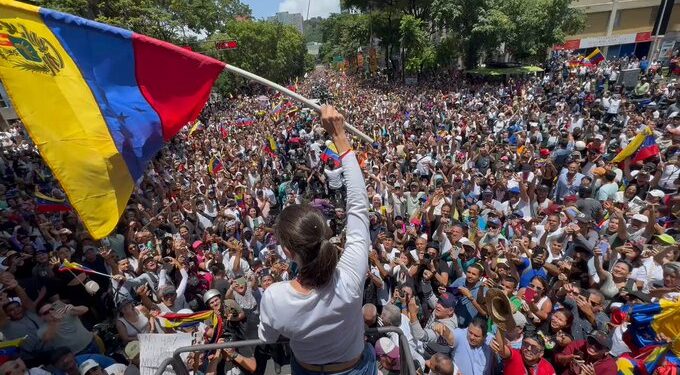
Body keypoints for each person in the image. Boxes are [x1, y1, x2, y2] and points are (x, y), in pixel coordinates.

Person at [257, 106, 374, 374]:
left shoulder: (275, 298)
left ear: (287, 252)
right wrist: (340, 137)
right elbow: (358, 208)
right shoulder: (349, 277)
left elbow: (267, 338)